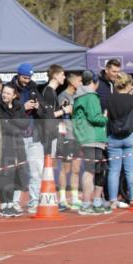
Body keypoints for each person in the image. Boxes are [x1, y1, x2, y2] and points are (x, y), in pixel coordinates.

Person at [72, 70, 111, 216]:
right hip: (92, 137)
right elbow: (95, 117)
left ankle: (95, 202)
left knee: (99, 168)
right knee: (90, 170)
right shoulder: (91, 96)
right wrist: (105, 117)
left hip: (88, 137)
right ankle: (87, 204)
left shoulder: (79, 96)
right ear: (95, 82)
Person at [10, 63, 46, 214]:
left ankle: (34, 202)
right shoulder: (9, 89)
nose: (27, 80)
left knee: (36, 171)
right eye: (25, 77)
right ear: (18, 75)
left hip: (34, 136)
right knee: (18, 170)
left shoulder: (34, 89)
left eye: (29, 77)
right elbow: (6, 112)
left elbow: (44, 110)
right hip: (17, 136)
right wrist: (22, 107)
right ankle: (14, 202)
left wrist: (38, 107)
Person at [106, 72, 133, 207]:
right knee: (131, 170)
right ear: (128, 85)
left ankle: (112, 200)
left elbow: (107, 120)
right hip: (131, 135)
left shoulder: (110, 99)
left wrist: (107, 136)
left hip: (113, 137)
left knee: (114, 170)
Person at [0, 84, 28, 217]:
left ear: (14, 96)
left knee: (17, 174)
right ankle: (4, 204)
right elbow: (1, 124)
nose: (5, 95)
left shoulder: (18, 106)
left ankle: (12, 203)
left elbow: (25, 124)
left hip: (18, 143)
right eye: (4, 92)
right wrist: (13, 125)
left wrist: (11, 121)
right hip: (3, 143)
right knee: (4, 174)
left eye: (8, 93)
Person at [56, 71, 82, 210]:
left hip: (78, 136)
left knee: (76, 169)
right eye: (79, 81)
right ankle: (62, 198)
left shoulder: (79, 96)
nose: (81, 84)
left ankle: (75, 197)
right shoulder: (63, 96)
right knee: (66, 168)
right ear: (72, 82)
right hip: (67, 136)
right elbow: (63, 115)